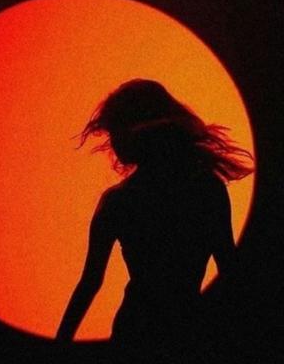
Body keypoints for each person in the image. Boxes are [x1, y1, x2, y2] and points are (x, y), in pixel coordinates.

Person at [56, 79, 254, 362]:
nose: (112, 141)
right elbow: (229, 269)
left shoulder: (119, 201)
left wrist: (60, 344)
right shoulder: (207, 188)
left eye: (115, 129)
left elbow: (90, 282)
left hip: (136, 333)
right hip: (189, 332)